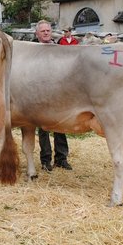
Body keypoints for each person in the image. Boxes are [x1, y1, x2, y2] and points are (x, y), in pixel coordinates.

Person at [34, 20, 72, 171]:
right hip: (39, 92)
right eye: (42, 31)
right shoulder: (32, 49)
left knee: (60, 126)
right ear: (37, 33)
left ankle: (61, 158)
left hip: (57, 91)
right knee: (43, 128)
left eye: (48, 30)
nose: (46, 33)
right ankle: (45, 160)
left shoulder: (59, 48)